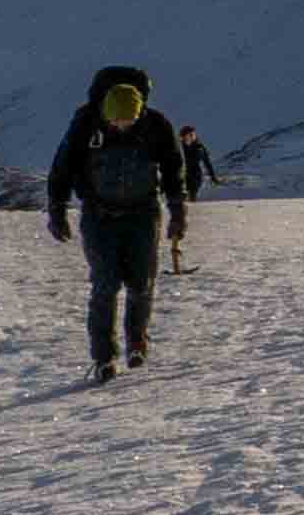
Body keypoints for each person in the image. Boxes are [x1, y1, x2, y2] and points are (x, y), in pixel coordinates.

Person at [42, 63, 205, 378]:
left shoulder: (156, 126)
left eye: (128, 121)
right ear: (105, 113)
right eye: (116, 122)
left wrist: (178, 212)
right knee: (105, 285)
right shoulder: (85, 124)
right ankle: (104, 357)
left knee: (142, 283)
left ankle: (137, 341)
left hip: (143, 213)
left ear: (139, 112)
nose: (121, 127)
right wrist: (57, 209)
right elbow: (63, 167)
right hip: (98, 215)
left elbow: (174, 170)